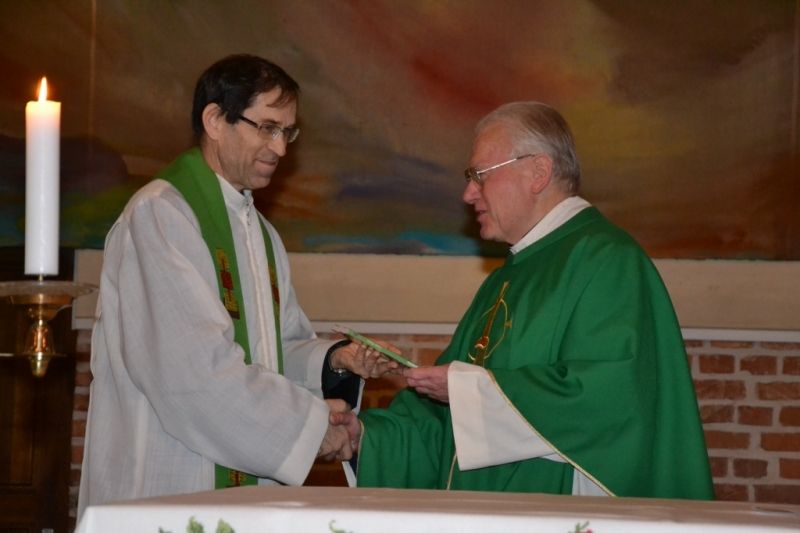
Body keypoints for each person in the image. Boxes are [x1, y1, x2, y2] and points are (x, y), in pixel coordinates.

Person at [78, 54, 389, 518]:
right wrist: (311, 430)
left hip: (244, 490)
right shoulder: (163, 216)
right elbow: (192, 375)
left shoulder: (260, 232)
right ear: (215, 120)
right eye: (267, 127)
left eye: (288, 132)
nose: (280, 148)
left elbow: (273, 351)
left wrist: (333, 359)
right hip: (173, 482)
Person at [356, 101, 714, 499]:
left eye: (479, 175)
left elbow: (606, 400)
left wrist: (469, 390)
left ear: (538, 172)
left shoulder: (606, 261)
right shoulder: (504, 279)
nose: (468, 193)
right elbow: (440, 421)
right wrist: (360, 437)